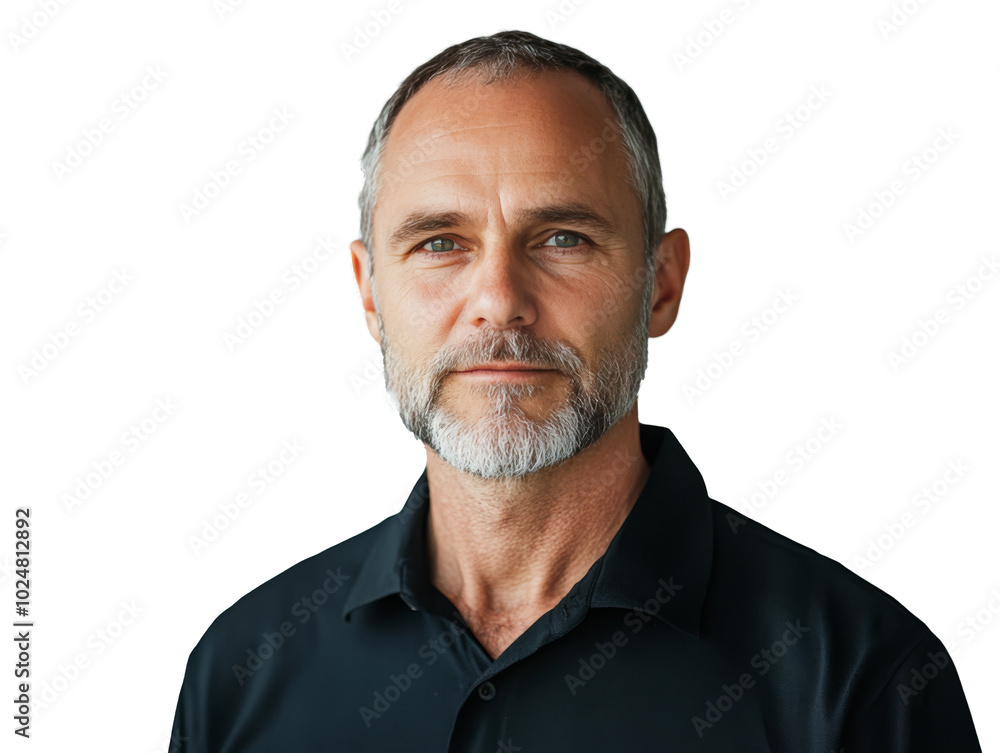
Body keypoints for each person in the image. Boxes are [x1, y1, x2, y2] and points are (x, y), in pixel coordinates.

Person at [169, 30, 982, 751]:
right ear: (370, 293)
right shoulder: (243, 674)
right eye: (441, 242)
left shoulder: (860, 681)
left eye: (563, 238)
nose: (499, 300)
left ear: (661, 285)